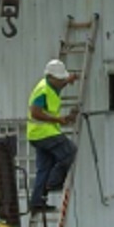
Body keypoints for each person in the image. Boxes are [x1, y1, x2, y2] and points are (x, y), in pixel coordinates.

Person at [27, 59, 79, 213]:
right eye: (60, 79)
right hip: (43, 133)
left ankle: (37, 202)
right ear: (50, 77)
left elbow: (59, 85)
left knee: (44, 167)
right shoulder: (43, 90)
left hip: (38, 134)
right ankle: (54, 183)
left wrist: (69, 80)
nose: (62, 81)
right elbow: (35, 112)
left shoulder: (52, 85)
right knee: (69, 151)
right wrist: (59, 120)